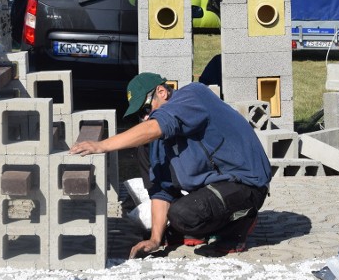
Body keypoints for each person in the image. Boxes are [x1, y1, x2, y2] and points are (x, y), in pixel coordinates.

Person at [70, 72, 271, 258]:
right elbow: (161, 190)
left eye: (147, 108)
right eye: (140, 114)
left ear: (162, 92)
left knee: (184, 214)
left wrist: (102, 146)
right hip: (212, 185)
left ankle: (240, 224)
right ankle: (206, 225)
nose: (146, 116)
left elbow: (156, 125)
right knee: (147, 154)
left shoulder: (193, 96)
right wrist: (155, 240)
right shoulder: (159, 136)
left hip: (245, 183)